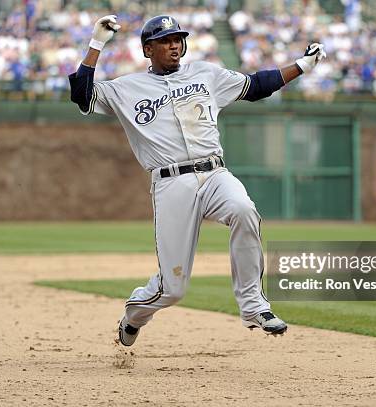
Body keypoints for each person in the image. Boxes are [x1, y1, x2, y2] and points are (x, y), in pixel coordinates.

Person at [68, 14, 326, 346]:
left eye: (177, 39)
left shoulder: (206, 73)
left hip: (214, 172)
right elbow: (82, 96)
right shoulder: (126, 88)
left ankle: (253, 305)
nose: (174, 45)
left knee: (243, 209)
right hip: (171, 183)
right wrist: (96, 44)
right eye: (165, 41)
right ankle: (134, 316)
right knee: (172, 289)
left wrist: (302, 66)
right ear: (148, 49)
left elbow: (257, 86)